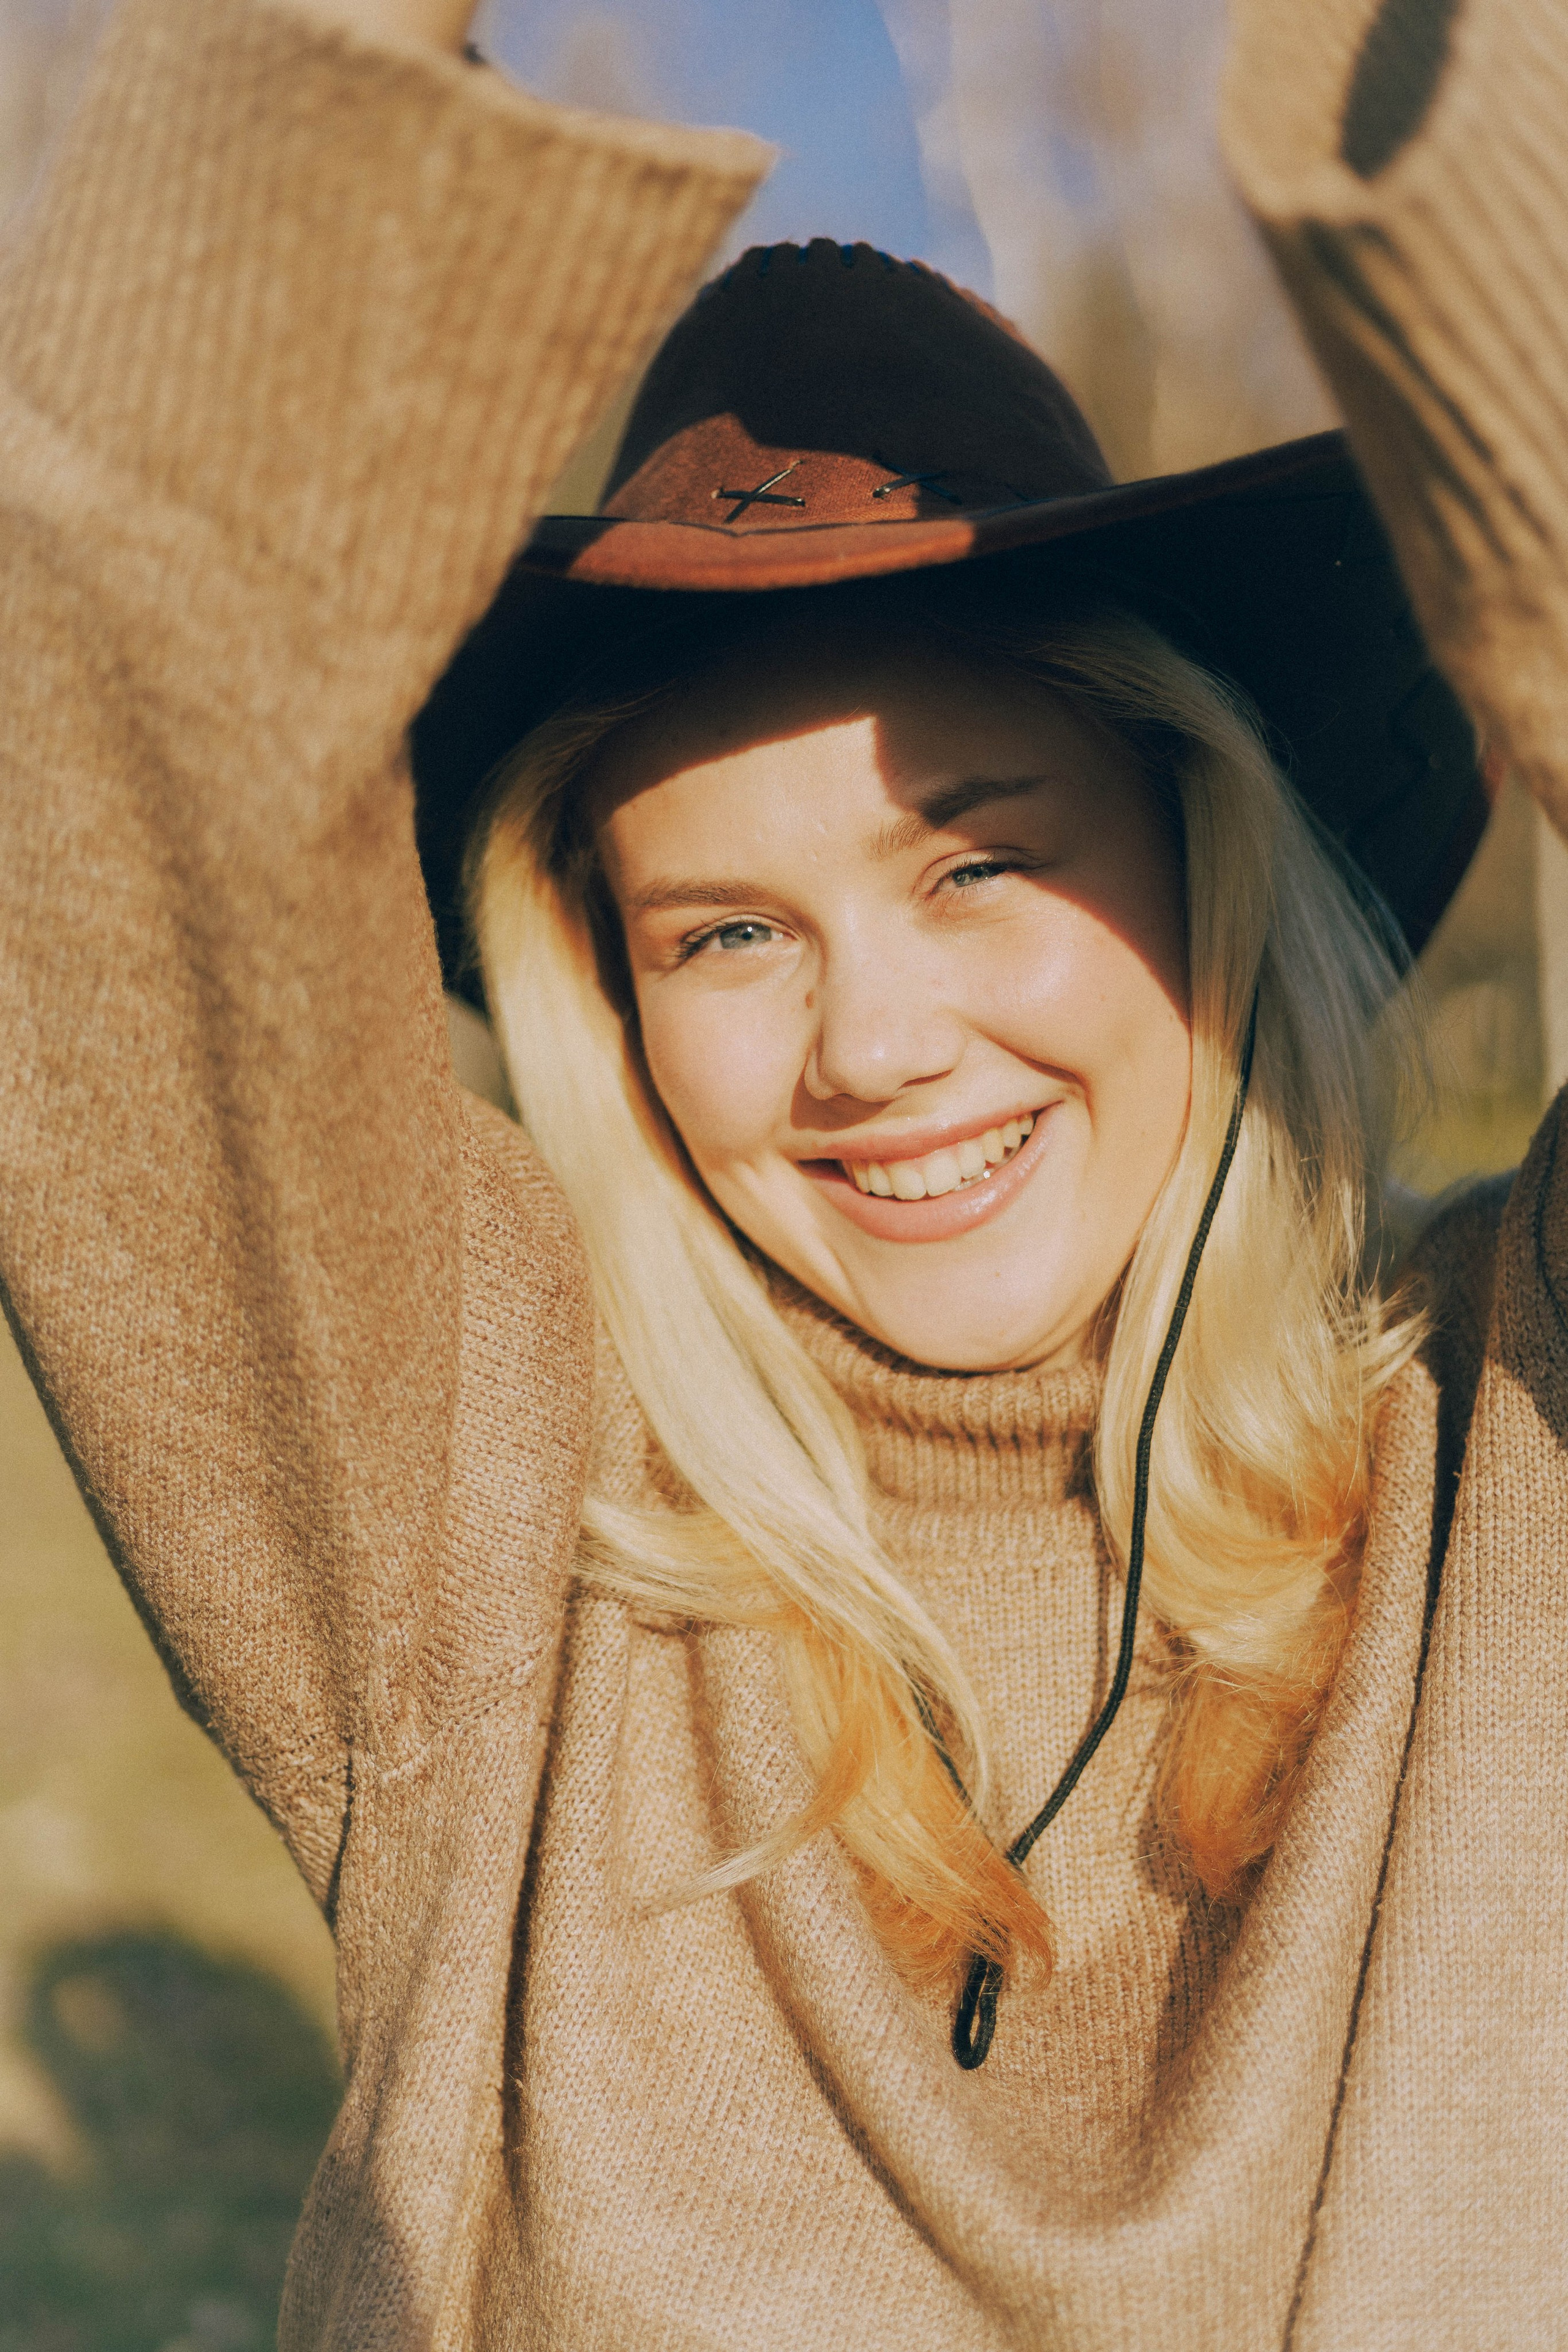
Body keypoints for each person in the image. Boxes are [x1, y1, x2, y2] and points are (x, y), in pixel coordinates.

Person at [1, 0, 1564, 2342]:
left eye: (976, 864)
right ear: (606, 997)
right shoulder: (478, 1529)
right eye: (727, 932)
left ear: (1196, 853)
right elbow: (101, 714)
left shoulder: (1512, 1440)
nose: (874, 1048)